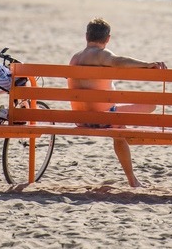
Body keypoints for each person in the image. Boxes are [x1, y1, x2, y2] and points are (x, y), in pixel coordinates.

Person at [67, 17, 166, 187]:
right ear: (107, 39)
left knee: (119, 124)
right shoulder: (101, 55)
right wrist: (146, 65)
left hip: (80, 118)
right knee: (150, 106)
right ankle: (132, 180)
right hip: (104, 119)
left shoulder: (75, 58)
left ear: (86, 36)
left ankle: (125, 136)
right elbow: (118, 61)